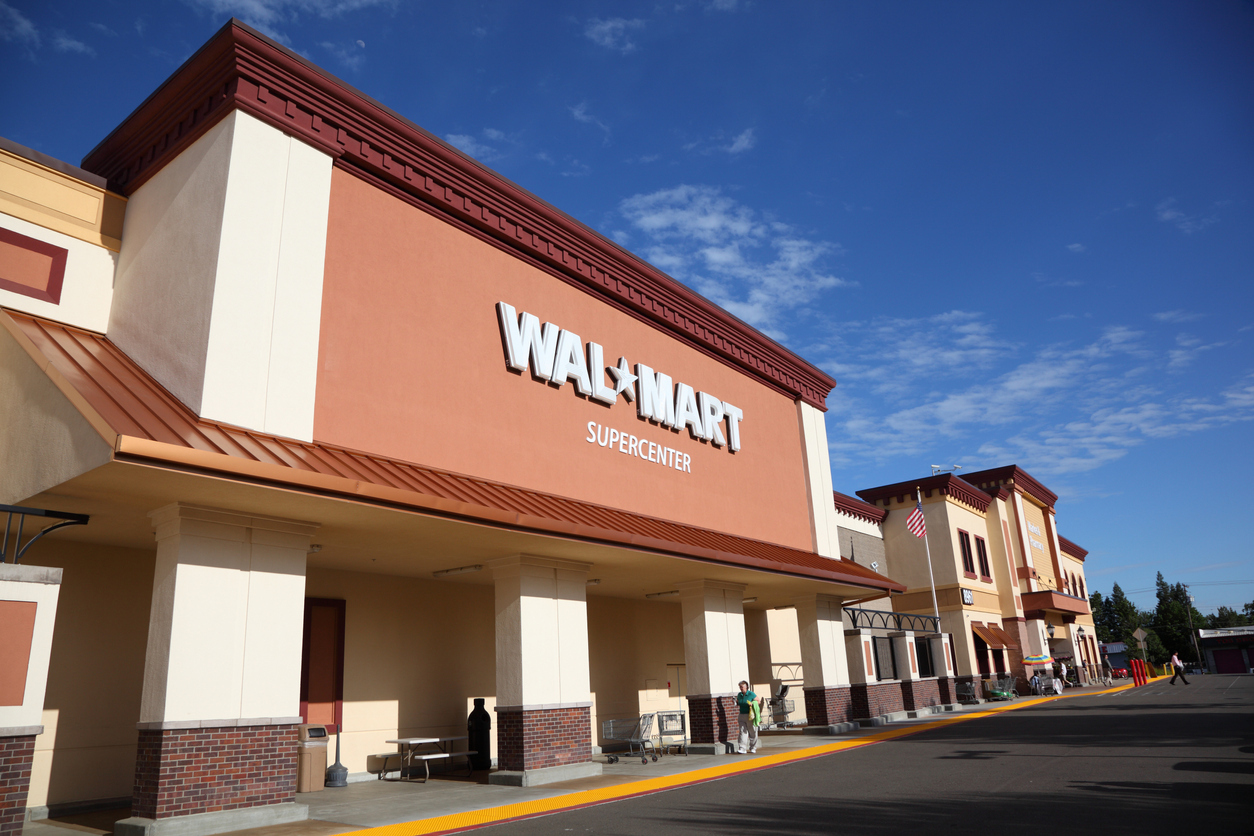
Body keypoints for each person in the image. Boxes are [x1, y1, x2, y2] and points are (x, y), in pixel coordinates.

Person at [735, 680, 759, 754]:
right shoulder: (739, 695)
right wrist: (736, 702)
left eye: (742, 687)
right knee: (742, 731)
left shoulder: (751, 694)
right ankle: (742, 748)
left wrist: (752, 703)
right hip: (742, 714)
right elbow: (739, 702)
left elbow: (758, 701)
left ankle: (753, 747)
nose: (740, 689)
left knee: (752, 731)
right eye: (740, 687)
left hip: (750, 715)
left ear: (746, 687)